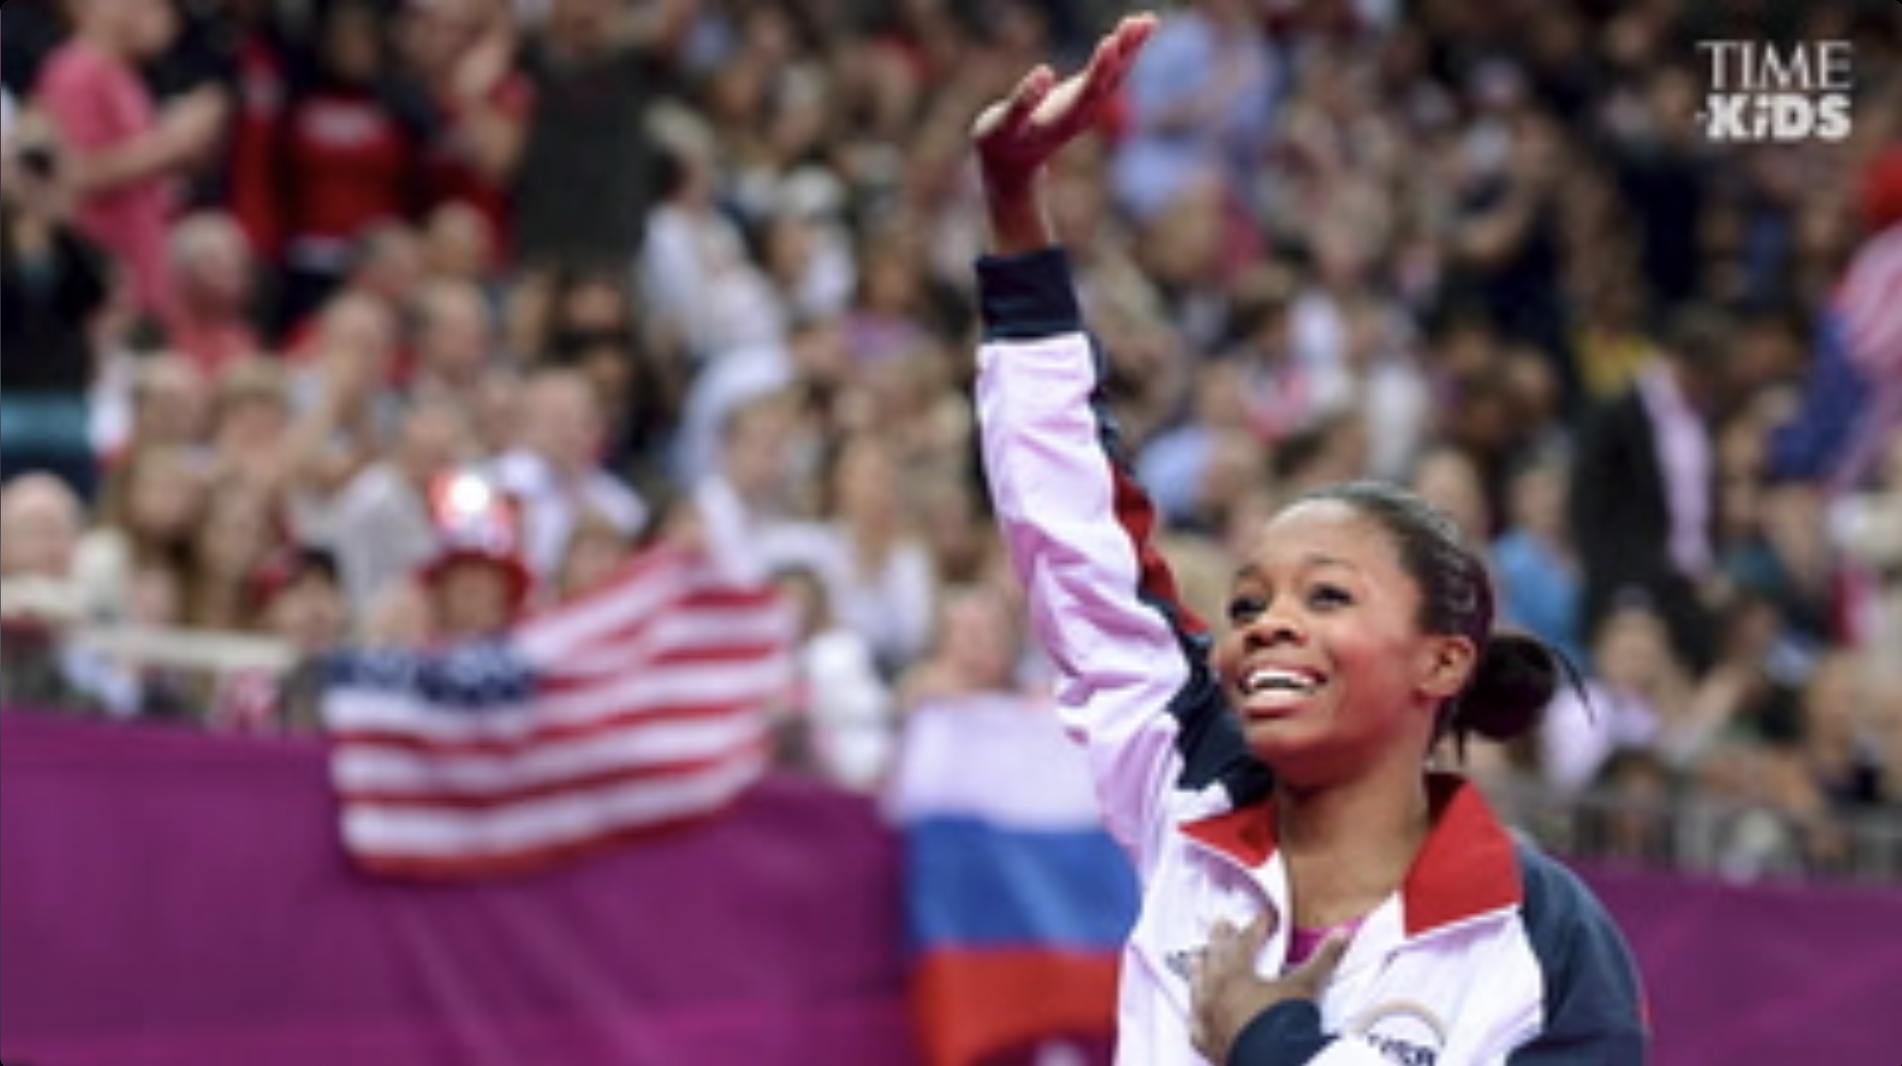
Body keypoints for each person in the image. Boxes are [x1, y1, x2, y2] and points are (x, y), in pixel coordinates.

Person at [968, 15, 1648, 1066]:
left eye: (1327, 597)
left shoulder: (1542, 938)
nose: (1266, 628)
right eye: (1248, 606)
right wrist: (1016, 210)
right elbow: (1071, 533)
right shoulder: (1190, 780)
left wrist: (1272, 1038)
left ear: (1443, 658)